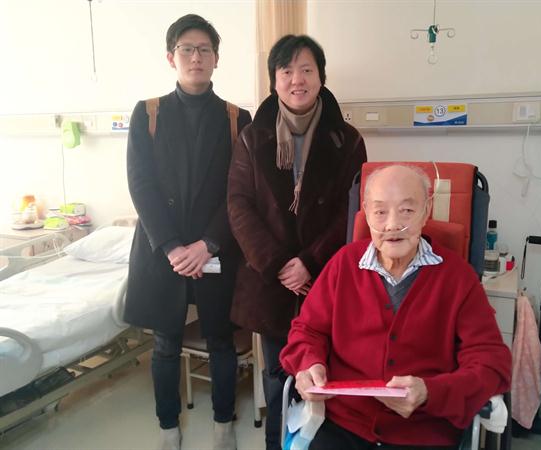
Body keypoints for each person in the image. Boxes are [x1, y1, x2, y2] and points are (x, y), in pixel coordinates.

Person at [280, 164, 512, 450]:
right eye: (380, 212)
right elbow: (307, 330)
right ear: (366, 213)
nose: (392, 225)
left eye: (407, 210)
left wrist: (430, 393)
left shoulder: (457, 277)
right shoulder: (343, 264)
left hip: (424, 430)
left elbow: (491, 362)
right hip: (343, 424)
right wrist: (309, 364)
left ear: (427, 211)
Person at [227, 35, 367, 450]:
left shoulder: (348, 139)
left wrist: (309, 262)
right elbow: (238, 204)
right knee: (277, 378)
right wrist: (277, 264)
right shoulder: (252, 137)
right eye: (286, 71)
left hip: (324, 278)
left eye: (306, 69)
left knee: (324, 377)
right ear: (274, 80)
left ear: (321, 77)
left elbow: (353, 208)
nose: (296, 80)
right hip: (270, 280)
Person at [124, 14, 251, 450]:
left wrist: (208, 244)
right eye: (187, 49)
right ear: (171, 57)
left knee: (220, 339)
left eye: (204, 49)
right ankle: (168, 426)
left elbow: (239, 191)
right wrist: (173, 247)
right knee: (165, 342)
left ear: (216, 58)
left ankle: (223, 423)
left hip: (216, 247)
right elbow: (140, 184)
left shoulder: (237, 118)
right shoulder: (148, 113)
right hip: (164, 248)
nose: (196, 57)